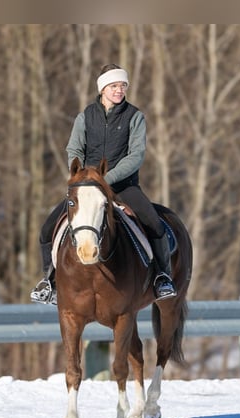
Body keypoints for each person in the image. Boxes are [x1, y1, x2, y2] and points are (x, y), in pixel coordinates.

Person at [30, 64, 176, 305]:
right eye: (114, 86)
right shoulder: (85, 116)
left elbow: (136, 155)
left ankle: (162, 278)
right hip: (87, 188)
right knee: (47, 229)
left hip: (123, 186)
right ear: (102, 89)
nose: (119, 90)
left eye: (122, 86)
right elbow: (74, 148)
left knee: (154, 222)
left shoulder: (135, 116)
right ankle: (50, 282)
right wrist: (82, 178)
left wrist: (105, 180)